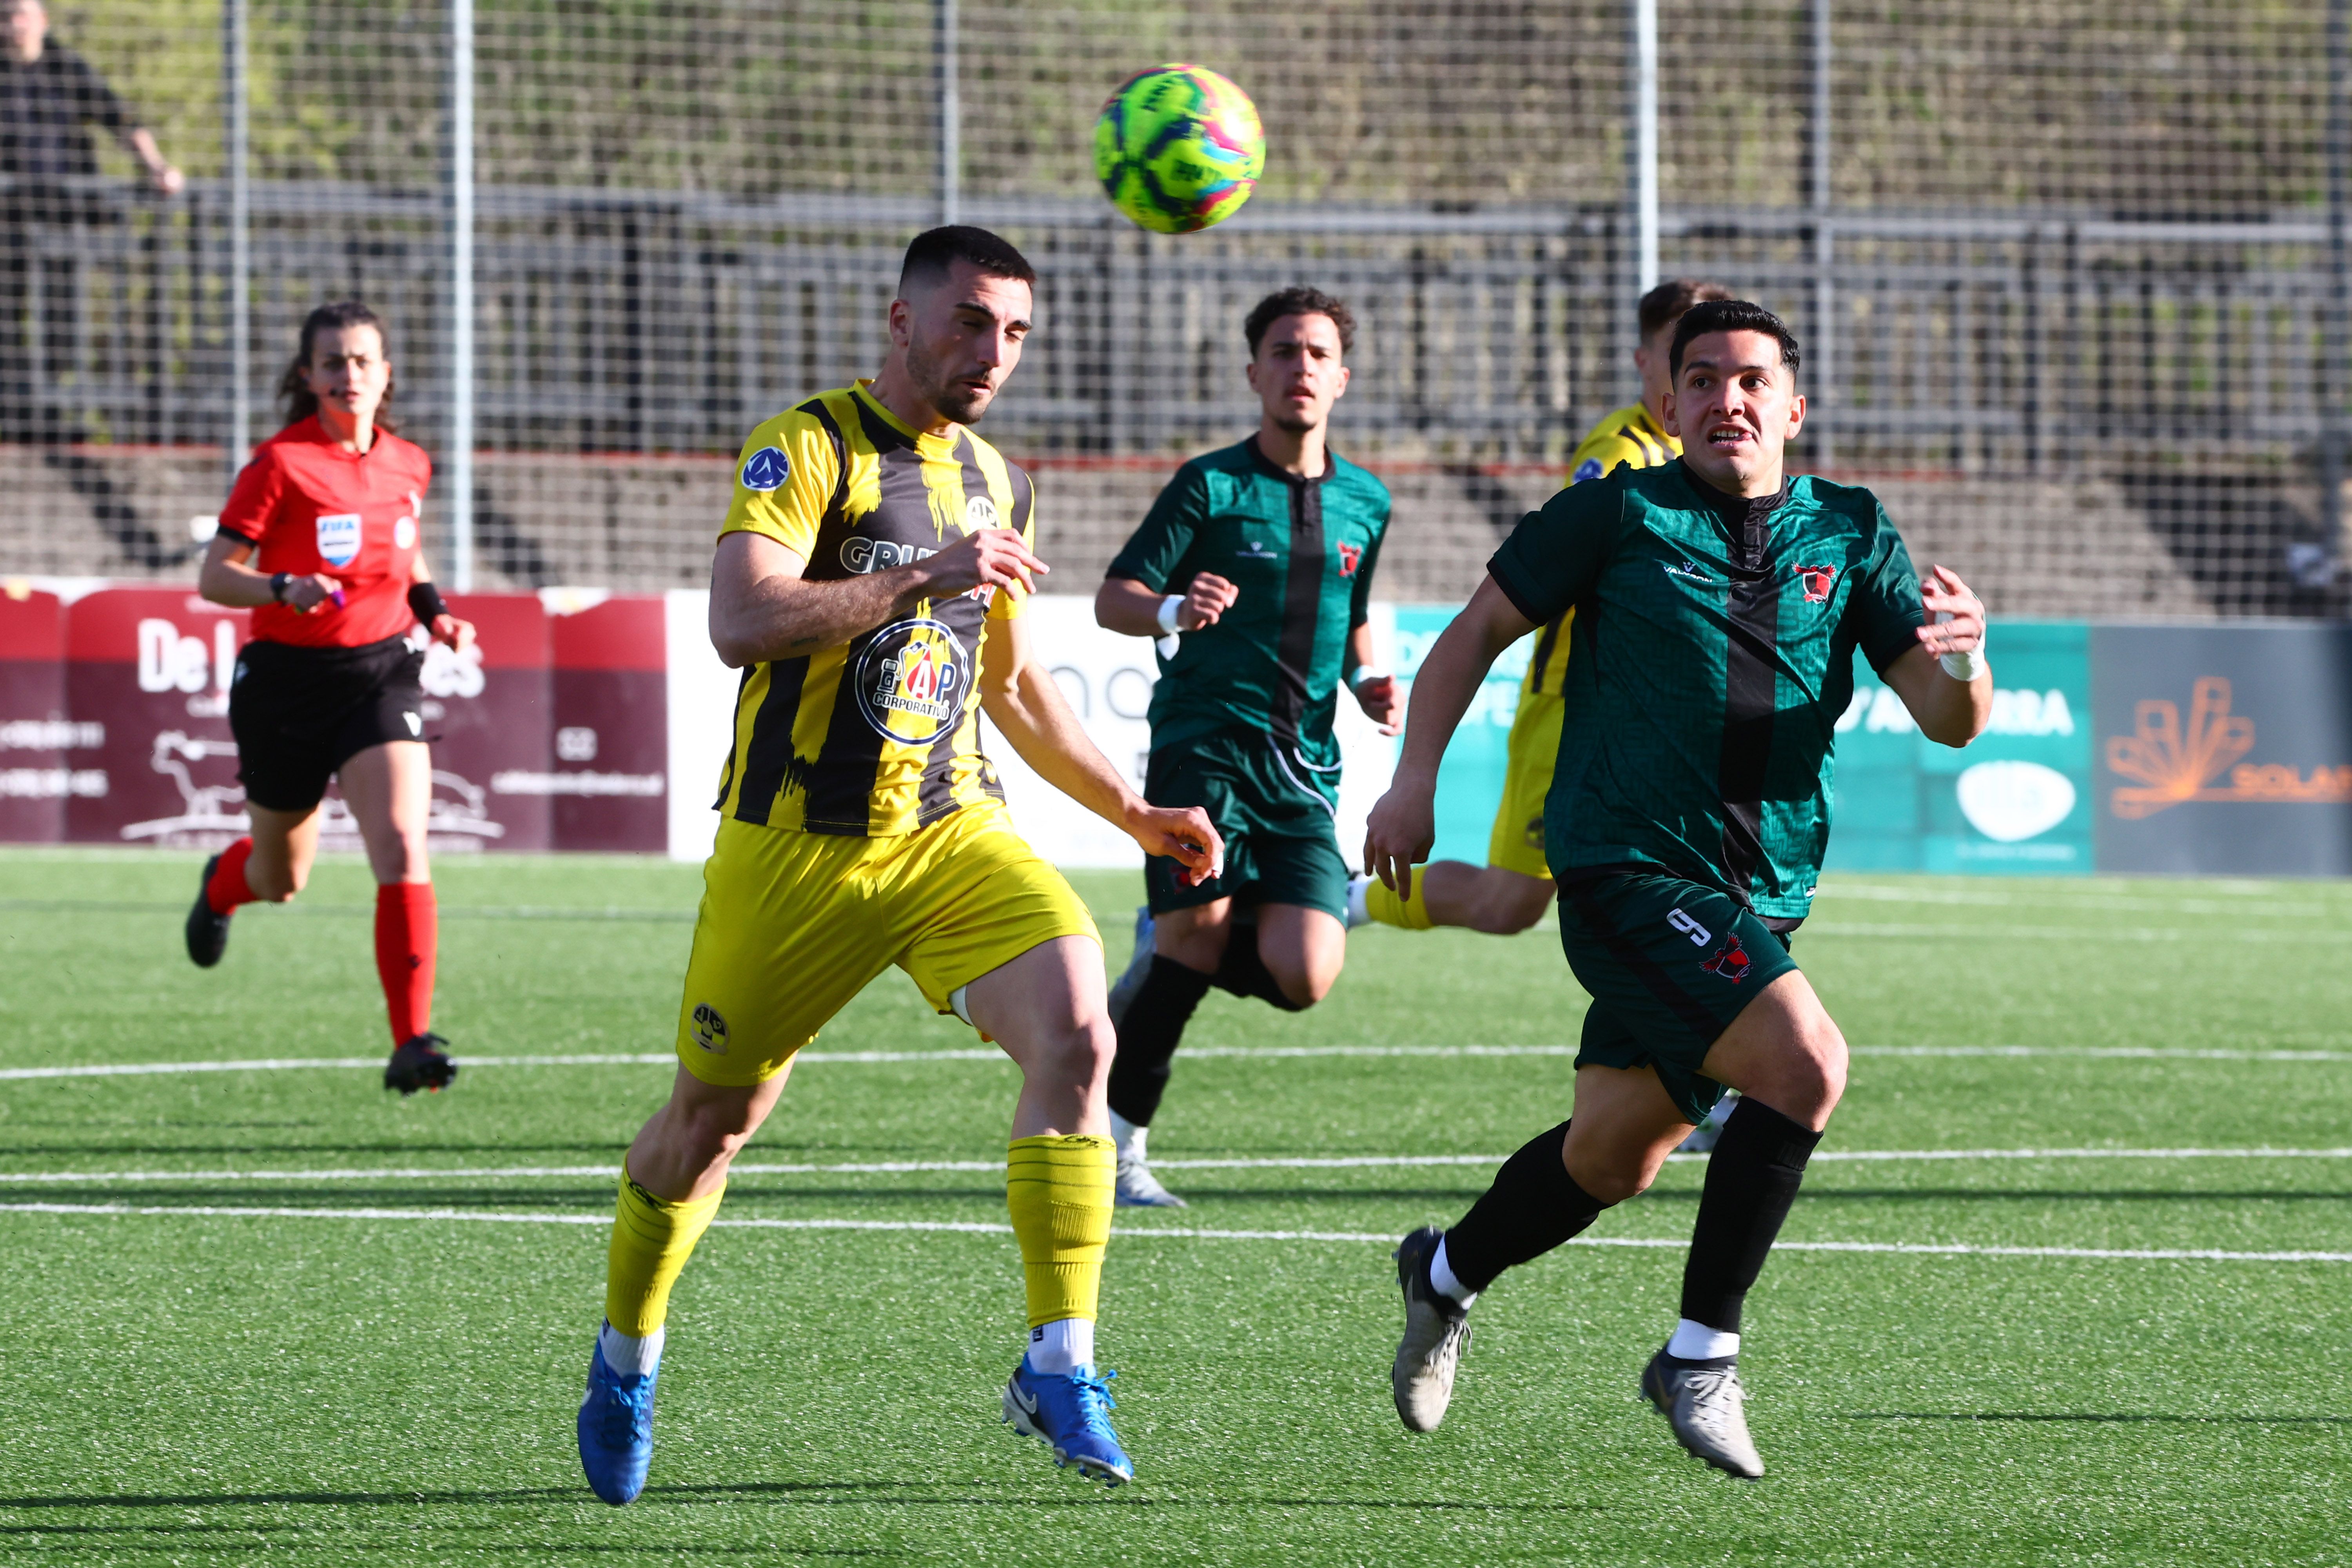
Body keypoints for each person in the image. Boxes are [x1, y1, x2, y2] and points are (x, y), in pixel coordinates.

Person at [573, 226, 1221, 1505]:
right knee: (709, 1127)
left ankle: (1059, 1361)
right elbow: (740, 621)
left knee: (1081, 1035)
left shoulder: (1001, 483)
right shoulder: (808, 447)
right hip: (794, 856)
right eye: (972, 321)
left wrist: (1133, 811)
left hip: (948, 835)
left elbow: (1013, 688)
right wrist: (926, 573)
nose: (995, 352)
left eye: (1016, 332)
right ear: (903, 320)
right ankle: (626, 1355)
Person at [1364, 300, 1991, 1478]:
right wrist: (1413, 783)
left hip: (1763, 888)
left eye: (1751, 380)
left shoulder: (1849, 530)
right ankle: (1698, 1357)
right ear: (1668, 404)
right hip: (1623, 868)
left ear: (1792, 406)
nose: (1725, 399)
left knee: (1611, 1158)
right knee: (1806, 1064)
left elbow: (1947, 720)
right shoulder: (1616, 512)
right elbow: (1471, 635)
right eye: (1700, 380)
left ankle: (1442, 1273)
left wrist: (1968, 660)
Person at [1347, 278, 1748, 1154]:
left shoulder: (1720, 461)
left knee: (1684, 888)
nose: (1712, 380)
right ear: (1649, 364)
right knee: (1510, 903)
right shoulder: (1621, 454)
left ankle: (1700, 1084)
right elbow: (1567, 569)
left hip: (1659, 716)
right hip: (1577, 704)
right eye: (1687, 358)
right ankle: (1346, 898)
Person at [1092, 285, 1399, 1209]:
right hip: (1204, 750)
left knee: (1306, 974)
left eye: (1317, 353)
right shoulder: (1210, 485)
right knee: (1196, 942)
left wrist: (1367, 678)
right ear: (1254, 372)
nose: (1300, 367)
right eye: (1283, 351)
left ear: (1342, 378)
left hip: (1303, 767)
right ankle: (1118, 1152)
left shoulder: (1367, 500)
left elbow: (1351, 614)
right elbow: (1115, 598)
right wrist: (1174, 608)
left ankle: (1167, 939)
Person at [186, 301, 473, 1098]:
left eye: (362, 360)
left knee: (404, 843)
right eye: (333, 362)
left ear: (386, 375)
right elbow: (215, 577)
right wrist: (281, 585)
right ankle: (223, 885)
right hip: (284, 683)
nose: (350, 374)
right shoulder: (279, 464)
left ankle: (412, 1040)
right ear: (308, 376)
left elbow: (407, 555)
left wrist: (436, 614)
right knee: (282, 878)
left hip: (380, 672)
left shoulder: (410, 463)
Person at [0, 0, 182, 443]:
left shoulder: (65, 67)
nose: (15, 25)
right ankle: (15, 413)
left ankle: (47, 412)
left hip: (64, 219)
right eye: (6, 16)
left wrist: (157, 168)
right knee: (8, 317)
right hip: (7, 223)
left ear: (42, 21)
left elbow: (118, 117)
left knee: (62, 317)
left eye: (22, 15)